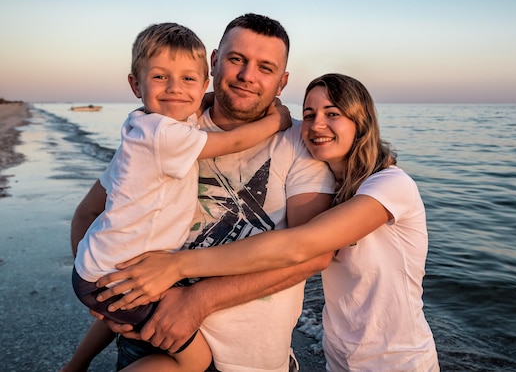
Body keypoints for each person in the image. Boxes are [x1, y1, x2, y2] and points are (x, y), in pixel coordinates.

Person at [99, 73, 441, 371]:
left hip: (398, 359)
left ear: (361, 121)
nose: (316, 125)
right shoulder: (338, 192)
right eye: (309, 115)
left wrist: (177, 266)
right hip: (340, 355)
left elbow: (301, 244)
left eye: (332, 114)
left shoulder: (391, 186)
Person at [68, 14, 336, 372]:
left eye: (265, 67)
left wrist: (197, 300)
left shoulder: (300, 142)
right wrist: (103, 292)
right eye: (237, 59)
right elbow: (88, 213)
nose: (247, 75)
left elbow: (314, 254)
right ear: (214, 61)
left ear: (283, 81)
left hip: (251, 359)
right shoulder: (166, 124)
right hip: (149, 341)